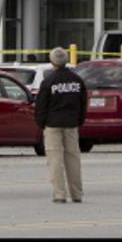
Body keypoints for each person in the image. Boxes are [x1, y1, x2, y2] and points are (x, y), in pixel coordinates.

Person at [34, 47, 88, 204]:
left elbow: (41, 105)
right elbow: (83, 103)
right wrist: (79, 120)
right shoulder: (77, 81)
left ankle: (59, 194)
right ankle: (77, 194)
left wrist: (41, 123)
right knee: (73, 159)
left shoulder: (49, 81)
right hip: (71, 124)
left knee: (55, 160)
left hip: (52, 124)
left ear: (52, 62)